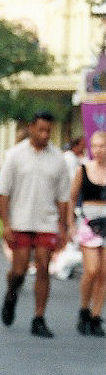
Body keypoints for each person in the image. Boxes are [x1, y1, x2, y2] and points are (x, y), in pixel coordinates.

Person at [0, 112, 71, 338]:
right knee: (19, 271)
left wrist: (63, 226)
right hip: (20, 220)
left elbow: (64, 196)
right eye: (40, 130)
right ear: (31, 128)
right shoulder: (15, 155)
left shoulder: (58, 158)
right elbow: (2, 192)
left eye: (48, 131)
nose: (45, 135)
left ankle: (39, 317)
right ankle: (11, 294)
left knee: (44, 267)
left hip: (46, 222)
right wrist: (6, 223)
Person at [69, 130, 106, 336]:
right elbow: (72, 197)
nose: (99, 150)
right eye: (95, 146)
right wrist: (70, 223)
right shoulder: (83, 169)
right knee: (91, 270)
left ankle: (96, 315)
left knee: (104, 273)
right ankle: (84, 309)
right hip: (89, 221)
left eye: (102, 146)